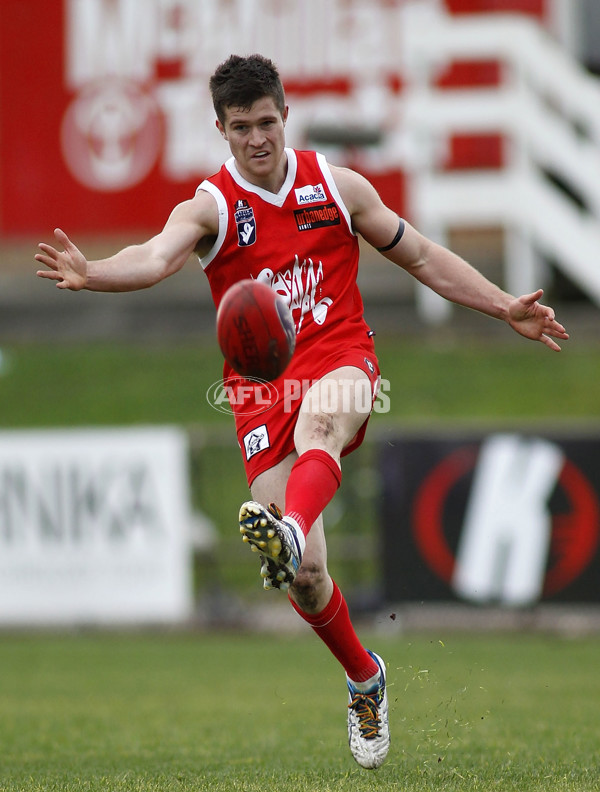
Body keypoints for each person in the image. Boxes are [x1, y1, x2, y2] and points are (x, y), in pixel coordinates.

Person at [35, 53, 569, 769]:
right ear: (220, 131)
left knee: (322, 423)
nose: (257, 138)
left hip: (342, 357)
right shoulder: (211, 206)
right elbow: (157, 256)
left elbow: (424, 258)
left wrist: (504, 303)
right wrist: (95, 272)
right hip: (259, 389)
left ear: (285, 115)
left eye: (266, 122)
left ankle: (287, 526)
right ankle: (363, 674)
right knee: (308, 575)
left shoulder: (337, 187)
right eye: (240, 127)